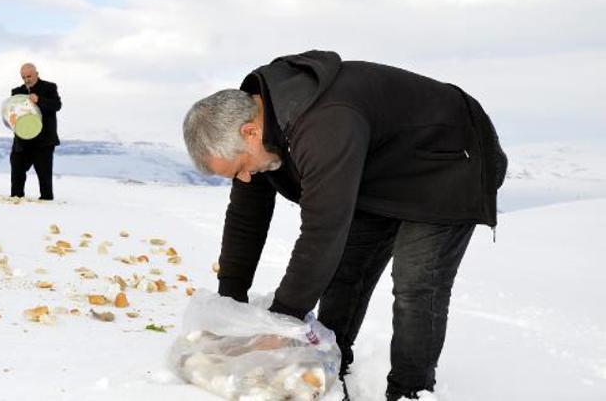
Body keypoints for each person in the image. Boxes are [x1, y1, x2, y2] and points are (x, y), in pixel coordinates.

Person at [182, 50, 507, 401]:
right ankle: (332, 368)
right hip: (380, 172)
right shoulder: (261, 124)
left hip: (449, 161)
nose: (244, 177)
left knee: (416, 283)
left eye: (241, 167)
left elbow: (323, 231)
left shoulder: (325, 122)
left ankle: (411, 391)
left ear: (249, 132)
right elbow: (247, 219)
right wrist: (232, 302)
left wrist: (282, 322)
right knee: (347, 271)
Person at [9, 62, 62, 200]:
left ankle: (46, 202)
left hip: (43, 141)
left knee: (44, 177)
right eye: (24, 77)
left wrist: (39, 100)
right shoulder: (16, 92)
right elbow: (11, 112)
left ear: (36, 74)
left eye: (29, 76)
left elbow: (57, 105)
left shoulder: (49, 87)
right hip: (22, 141)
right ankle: (16, 200)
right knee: (16, 170)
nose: (27, 80)